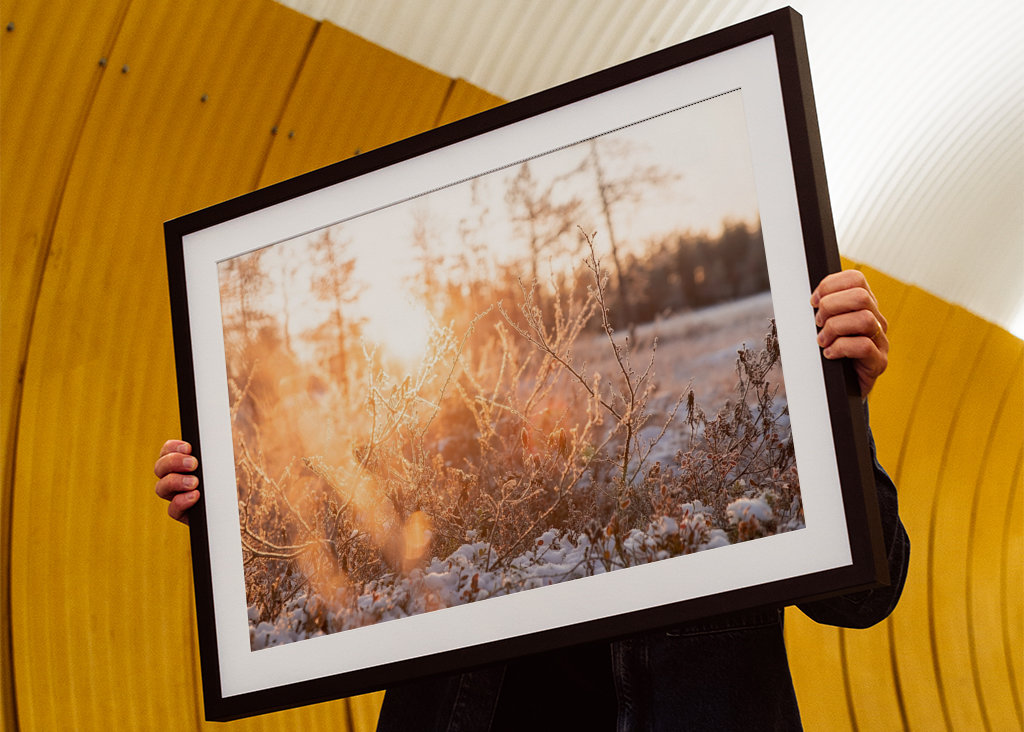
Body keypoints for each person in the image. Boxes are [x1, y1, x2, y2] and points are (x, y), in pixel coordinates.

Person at [155, 270, 909, 731]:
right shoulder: (434, 472)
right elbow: (352, 552)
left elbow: (866, 595)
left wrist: (838, 405)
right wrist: (235, 510)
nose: (546, 394)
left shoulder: (731, 450)